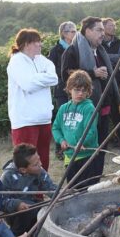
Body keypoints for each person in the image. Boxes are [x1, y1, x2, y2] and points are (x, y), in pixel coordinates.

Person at [62, 16, 119, 172]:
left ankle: (95, 183)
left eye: (103, 29)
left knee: (100, 148)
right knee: (85, 149)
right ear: (87, 31)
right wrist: (92, 73)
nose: (103, 33)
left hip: (103, 109)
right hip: (84, 111)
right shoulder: (72, 51)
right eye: (99, 30)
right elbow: (67, 77)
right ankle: (82, 187)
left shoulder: (101, 51)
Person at [7, 28, 58, 171]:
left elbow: (54, 79)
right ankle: (27, 193)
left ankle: (41, 192)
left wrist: (36, 78)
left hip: (44, 119)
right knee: (27, 163)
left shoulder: (43, 60)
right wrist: (42, 78)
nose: (40, 45)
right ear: (26, 44)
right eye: (37, 42)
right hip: (25, 121)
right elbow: (28, 85)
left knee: (43, 161)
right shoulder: (16, 61)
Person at [52, 70, 102, 188]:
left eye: (84, 90)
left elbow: (91, 130)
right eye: (77, 90)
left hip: (87, 157)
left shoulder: (89, 108)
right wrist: (61, 140)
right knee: (72, 189)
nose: (80, 93)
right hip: (70, 156)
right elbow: (56, 128)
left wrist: (81, 142)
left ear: (88, 91)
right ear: (69, 89)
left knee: (86, 189)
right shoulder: (63, 108)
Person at [1, 143, 57, 236]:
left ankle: (33, 232)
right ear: (23, 170)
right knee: (28, 211)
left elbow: (50, 188)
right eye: (36, 164)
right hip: (14, 213)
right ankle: (15, 235)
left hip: (31, 204)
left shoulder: (39, 170)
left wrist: (61, 193)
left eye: (39, 160)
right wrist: (17, 204)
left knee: (46, 209)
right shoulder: (8, 177)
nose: (41, 164)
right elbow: (2, 200)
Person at [49, 21, 77, 161]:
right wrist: (67, 74)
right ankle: (59, 149)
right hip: (61, 90)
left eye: (75, 31)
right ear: (64, 34)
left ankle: (72, 147)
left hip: (75, 90)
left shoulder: (76, 48)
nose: (75, 34)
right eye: (72, 31)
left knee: (74, 120)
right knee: (62, 119)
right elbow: (52, 71)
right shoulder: (55, 50)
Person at [102, 17, 120, 152]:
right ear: (104, 27)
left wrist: (106, 57)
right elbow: (98, 58)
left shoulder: (119, 42)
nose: (114, 28)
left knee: (118, 112)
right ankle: (102, 143)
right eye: (111, 25)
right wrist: (113, 58)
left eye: (114, 25)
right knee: (102, 114)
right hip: (102, 83)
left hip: (117, 83)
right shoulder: (98, 42)